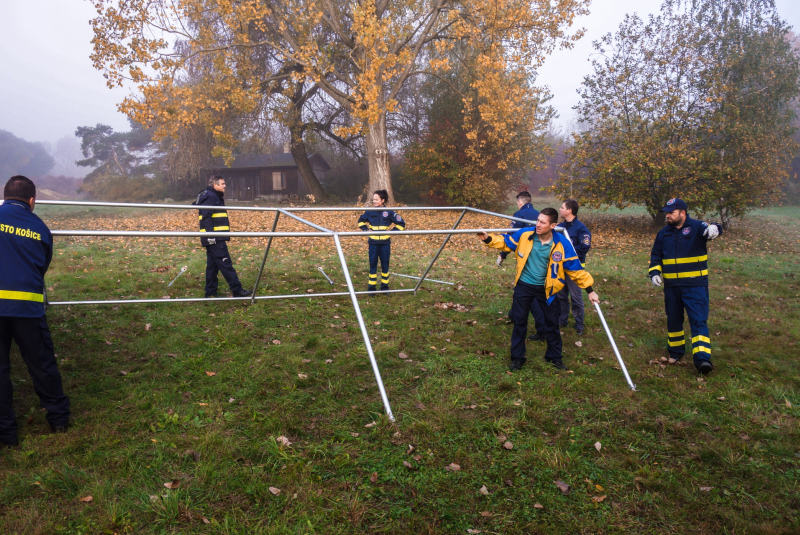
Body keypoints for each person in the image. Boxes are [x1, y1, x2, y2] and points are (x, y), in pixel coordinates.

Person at [478, 207, 600, 371]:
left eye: (543, 222)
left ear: (552, 225)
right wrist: (487, 239)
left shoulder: (562, 244)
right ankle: (517, 359)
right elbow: (506, 242)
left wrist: (590, 290)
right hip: (524, 286)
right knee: (520, 323)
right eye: (538, 220)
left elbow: (575, 270)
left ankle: (554, 357)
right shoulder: (525, 235)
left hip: (547, 289)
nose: (538, 224)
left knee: (552, 324)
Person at [0, 175, 70, 447]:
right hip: (27, 309)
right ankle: (59, 419)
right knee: (42, 365)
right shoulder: (39, 228)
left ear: (4, 196)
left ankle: (6, 434)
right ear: (32, 201)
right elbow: (42, 265)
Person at [649, 198, 721, 374]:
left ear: (682, 213)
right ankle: (675, 352)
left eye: (671, 213)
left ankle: (702, 359)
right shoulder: (663, 233)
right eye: (666, 213)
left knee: (698, 320)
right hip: (672, 287)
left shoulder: (697, 227)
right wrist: (654, 273)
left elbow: (712, 228)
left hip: (695, 285)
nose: (668, 216)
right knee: (674, 320)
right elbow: (656, 256)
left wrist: (715, 228)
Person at [195, 176, 252, 298]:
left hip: (215, 237)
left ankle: (210, 292)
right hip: (215, 238)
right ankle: (237, 290)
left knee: (213, 266)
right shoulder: (210, 196)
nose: (225, 185)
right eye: (222, 183)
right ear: (215, 185)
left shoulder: (212, 195)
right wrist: (211, 235)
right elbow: (206, 217)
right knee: (225, 263)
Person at [357, 190, 406, 292]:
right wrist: (366, 229)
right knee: (373, 265)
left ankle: (384, 287)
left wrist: (392, 231)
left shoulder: (389, 212)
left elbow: (401, 224)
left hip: (385, 244)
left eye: (376, 199)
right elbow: (360, 221)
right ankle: (372, 288)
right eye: (373, 199)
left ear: (383, 200)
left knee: (385, 265)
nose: (374, 201)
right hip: (373, 244)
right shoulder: (369, 212)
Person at [557, 199, 592, 335]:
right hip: (560, 269)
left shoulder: (581, 228)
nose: (559, 209)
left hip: (574, 269)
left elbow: (584, 247)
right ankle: (562, 320)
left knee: (576, 298)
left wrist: (568, 254)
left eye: (562, 207)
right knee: (561, 297)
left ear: (569, 210)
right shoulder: (560, 228)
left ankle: (579, 325)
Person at [496, 191, 540, 268]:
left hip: (525, 251)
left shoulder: (519, 214)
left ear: (520, 202)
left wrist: (503, 255)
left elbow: (511, 236)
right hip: (540, 250)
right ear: (530, 202)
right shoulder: (539, 214)